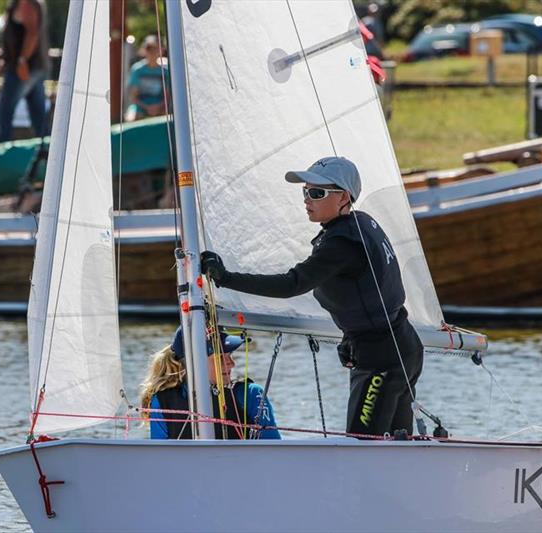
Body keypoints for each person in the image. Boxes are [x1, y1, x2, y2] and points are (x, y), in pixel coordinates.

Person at [200, 156, 423, 438]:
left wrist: (225, 278)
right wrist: (351, 337)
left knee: (363, 447)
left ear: (344, 197)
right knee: (394, 446)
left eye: (317, 193)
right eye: (305, 191)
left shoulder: (341, 243)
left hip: (381, 357)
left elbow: (292, 284)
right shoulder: (361, 225)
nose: (307, 199)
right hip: (401, 345)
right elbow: (369, 293)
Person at [139, 326, 281, 440]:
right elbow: (160, 460)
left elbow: (274, 452)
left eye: (230, 355)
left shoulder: (250, 394)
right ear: (194, 362)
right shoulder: (162, 402)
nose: (231, 364)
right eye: (220, 357)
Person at [0, 0, 49, 142]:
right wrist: (5, 61)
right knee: (38, 115)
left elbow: (32, 33)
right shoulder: (18, 4)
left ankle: (2, 153)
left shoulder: (27, 4)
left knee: (4, 112)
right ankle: (47, 151)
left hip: (24, 69)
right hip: (31, 67)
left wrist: (22, 61)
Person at [124, 35, 168, 122]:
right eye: (149, 49)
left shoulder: (165, 71)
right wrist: (148, 108)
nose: (152, 52)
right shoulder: (137, 70)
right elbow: (133, 97)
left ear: (160, 51)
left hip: (160, 106)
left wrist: (157, 107)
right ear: (144, 51)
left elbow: (168, 97)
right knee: (130, 119)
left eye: (155, 49)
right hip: (140, 106)